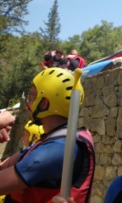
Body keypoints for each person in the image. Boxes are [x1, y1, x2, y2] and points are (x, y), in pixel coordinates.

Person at [0, 67, 96, 202]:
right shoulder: (53, 141)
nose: (28, 104)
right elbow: (4, 167)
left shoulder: (57, 149)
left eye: (31, 97)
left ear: (44, 103)